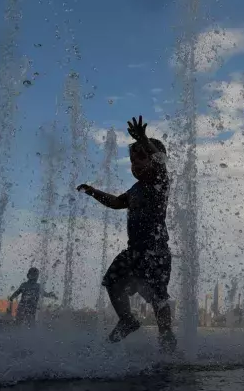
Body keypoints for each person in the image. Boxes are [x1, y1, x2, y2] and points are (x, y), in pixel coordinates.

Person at [77, 115, 177, 353]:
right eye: (132, 161)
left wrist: (143, 137)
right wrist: (93, 192)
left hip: (156, 251)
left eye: (142, 158)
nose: (136, 164)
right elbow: (114, 202)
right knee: (111, 281)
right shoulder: (135, 189)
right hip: (134, 251)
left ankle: (166, 336)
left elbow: (161, 162)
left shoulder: (160, 182)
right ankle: (127, 319)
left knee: (157, 296)